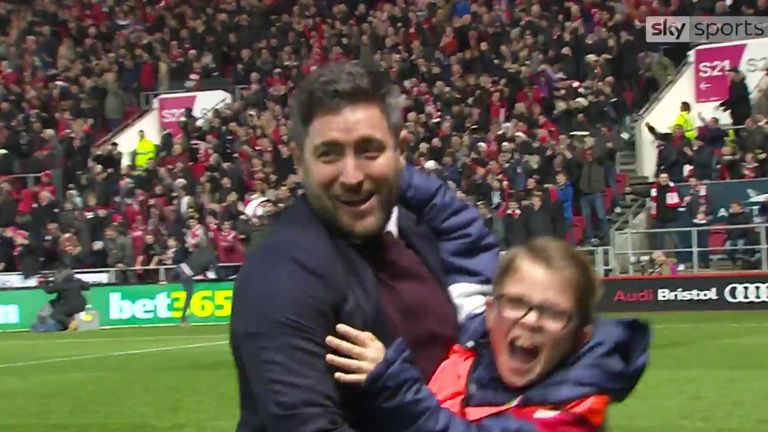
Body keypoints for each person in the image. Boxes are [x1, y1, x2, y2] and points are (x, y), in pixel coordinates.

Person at [230, 61, 499, 432]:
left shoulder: (417, 232)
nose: (352, 176)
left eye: (369, 151)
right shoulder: (279, 277)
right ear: (298, 159)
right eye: (330, 154)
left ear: (400, 150)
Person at [325, 238, 650, 432]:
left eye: (552, 312)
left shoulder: (572, 416)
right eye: (517, 303)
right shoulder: (466, 358)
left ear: (580, 338)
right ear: (491, 311)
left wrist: (392, 383)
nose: (531, 320)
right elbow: (458, 225)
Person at [177, 214, 218, 325]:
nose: (192, 224)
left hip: (190, 265)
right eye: (190, 222)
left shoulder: (201, 231)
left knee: (187, 293)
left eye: (193, 221)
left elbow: (195, 243)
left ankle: (183, 318)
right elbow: (189, 246)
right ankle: (183, 319)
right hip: (190, 265)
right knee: (188, 293)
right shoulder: (190, 235)